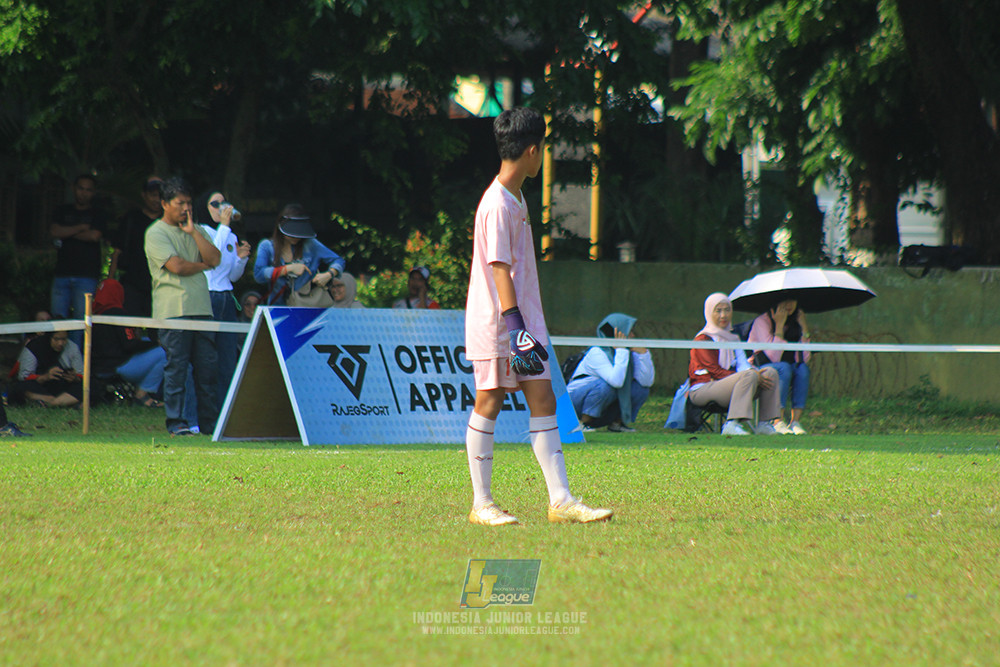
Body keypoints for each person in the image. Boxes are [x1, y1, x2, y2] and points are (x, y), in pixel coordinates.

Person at [464, 107, 612, 526]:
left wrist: (525, 327)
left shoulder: (516, 196)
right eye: (543, 148)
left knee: (544, 398)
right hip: (502, 325)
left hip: (524, 323)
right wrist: (514, 329)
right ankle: (482, 504)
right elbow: (498, 269)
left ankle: (561, 501)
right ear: (533, 150)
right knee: (489, 401)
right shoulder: (496, 203)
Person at [144, 176, 221, 437]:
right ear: (165, 204)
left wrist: (193, 233)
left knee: (207, 371)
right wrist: (203, 266)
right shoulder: (155, 232)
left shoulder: (194, 229)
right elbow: (176, 266)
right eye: (180, 203)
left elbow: (216, 258)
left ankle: (210, 424)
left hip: (202, 309)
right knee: (176, 369)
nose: (186, 209)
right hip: (173, 311)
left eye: (188, 203)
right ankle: (176, 422)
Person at [688, 293, 782, 436]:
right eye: (718, 311)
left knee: (770, 373)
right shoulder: (703, 339)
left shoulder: (733, 338)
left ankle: (764, 424)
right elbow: (714, 371)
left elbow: (743, 365)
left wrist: (756, 374)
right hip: (703, 389)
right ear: (708, 312)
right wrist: (750, 375)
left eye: (727, 310)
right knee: (749, 375)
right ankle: (731, 424)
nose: (723, 315)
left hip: (732, 385)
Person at [195, 190, 252, 407]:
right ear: (204, 207)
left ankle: (225, 410)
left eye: (223, 203)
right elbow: (212, 256)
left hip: (227, 296)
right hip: (208, 295)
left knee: (227, 357)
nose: (221, 207)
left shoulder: (230, 235)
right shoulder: (201, 231)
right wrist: (225, 226)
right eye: (214, 203)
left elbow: (232, 276)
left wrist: (240, 260)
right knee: (207, 357)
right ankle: (206, 410)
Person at [567, 313, 654, 433]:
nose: (633, 336)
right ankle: (583, 424)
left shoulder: (627, 352)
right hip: (574, 404)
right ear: (618, 334)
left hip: (600, 406)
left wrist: (644, 355)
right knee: (607, 385)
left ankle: (617, 423)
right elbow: (616, 382)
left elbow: (646, 382)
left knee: (641, 389)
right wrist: (621, 350)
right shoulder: (597, 352)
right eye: (629, 332)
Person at [49, 174, 108, 346]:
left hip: (86, 275)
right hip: (62, 274)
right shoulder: (62, 210)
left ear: (93, 192)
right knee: (57, 322)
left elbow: (94, 236)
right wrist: (81, 228)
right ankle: (59, 362)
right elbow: (54, 231)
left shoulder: (98, 214)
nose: (83, 193)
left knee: (82, 322)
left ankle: (78, 364)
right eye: (81, 188)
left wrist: (68, 232)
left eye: (88, 190)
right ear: (74, 189)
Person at [91, 278, 167, 408]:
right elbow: (130, 345)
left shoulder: (94, 316)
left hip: (100, 365)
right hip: (120, 366)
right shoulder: (118, 314)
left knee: (146, 341)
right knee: (165, 351)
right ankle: (142, 393)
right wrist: (156, 344)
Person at [253, 205, 346, 306]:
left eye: (300, 233)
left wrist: (329, 274)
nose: (296, 237)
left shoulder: (310, 244)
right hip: (277, 306)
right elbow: (258, 275)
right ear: (281, 227)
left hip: (305, 304)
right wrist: (287, 269)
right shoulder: (266, 246)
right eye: (291, 233)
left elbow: (338, 260)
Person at [748, 299, 811, 435]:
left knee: (802, 370)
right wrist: (779, 327)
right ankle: (778, 420)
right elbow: (773, 356)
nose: (789, 305)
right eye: (784, 302)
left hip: (786, 366)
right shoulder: (762, 321)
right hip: (763, 367)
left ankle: (795, 422)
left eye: (792, 302)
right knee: (784, 368)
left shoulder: (795, 323)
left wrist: (804, 329)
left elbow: (804, 359)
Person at [111, 176, 162, 317]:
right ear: (144, 195)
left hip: (160, 284)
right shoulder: (131, 218)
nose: (156, 200)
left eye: (160, 195)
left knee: (158, 328)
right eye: (153, 195)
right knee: (130, 326)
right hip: (132, 283)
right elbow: (117, 252)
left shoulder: (168, 222)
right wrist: (110, 282)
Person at [14, 330, 84, 407]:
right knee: (19, 387)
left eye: (64, 339)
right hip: (42, 387)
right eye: (56, 339)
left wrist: (74, 378)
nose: (60, 343)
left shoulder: (72, 347)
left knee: (91, 384)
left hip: (65, 388)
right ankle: (66, 402)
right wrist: (46, 377)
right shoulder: (34, 347)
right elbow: (24, 377)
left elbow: (81, 375)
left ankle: (53, 402)